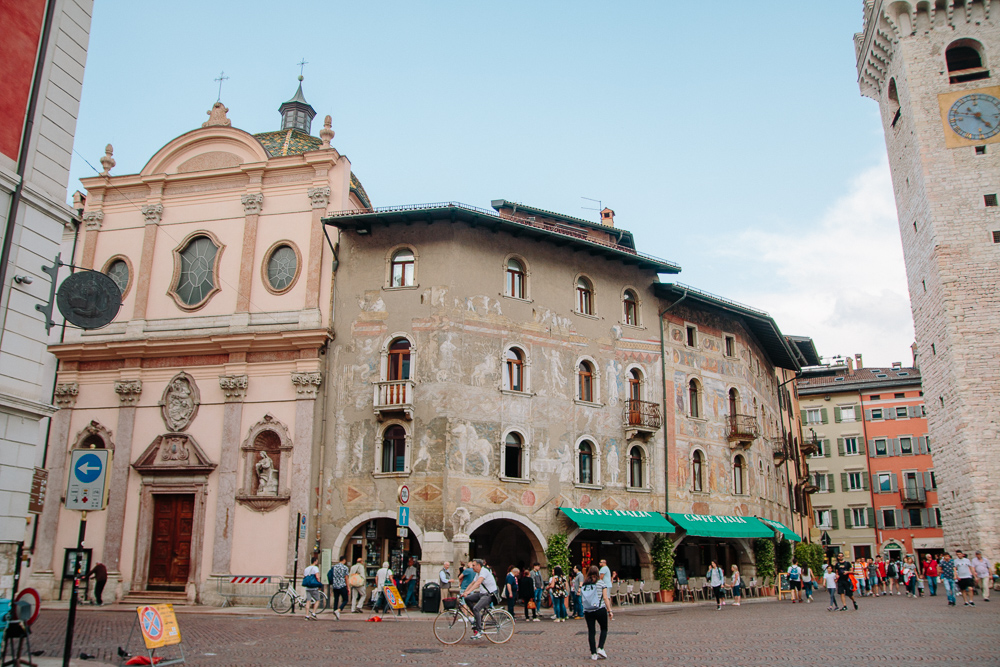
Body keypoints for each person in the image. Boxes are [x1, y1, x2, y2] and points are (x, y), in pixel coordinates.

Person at [580, 564, 613, 661]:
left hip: (588, 610)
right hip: (600, 609)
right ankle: (601, 648)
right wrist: (610, 610)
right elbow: (605, 598)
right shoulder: (601, 583)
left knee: (591, 631)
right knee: (603, 629)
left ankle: (593, 653)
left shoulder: (585, 584)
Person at [461, 559, 499, 640]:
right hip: (482, 594)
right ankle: (476, 617)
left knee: (476, 608)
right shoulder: (477, 573)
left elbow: (478, 583)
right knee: (468, 599)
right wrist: (465, 592)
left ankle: (479, 631)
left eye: (473, 565)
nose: (472, 567)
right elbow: (472, 583)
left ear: (478, 566)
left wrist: (468, 592)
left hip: (489, 595)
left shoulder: (484, 571)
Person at [302, 555, 324, 620]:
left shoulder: (306, 568)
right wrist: (319, 584)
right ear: (315, 561)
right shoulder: (315, 568)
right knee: (317, 600)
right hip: (314, 587)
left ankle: (306, 615)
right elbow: (317, 576)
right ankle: (313, 613)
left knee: (308, 601)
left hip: (307, 587)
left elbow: (304, 577)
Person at [328, 555, 349, 619]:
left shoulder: (334, 567)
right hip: (342, 585)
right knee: (345, 599)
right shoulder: (345, 568)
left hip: (335, 585)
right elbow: (346, 578)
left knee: (336, 600)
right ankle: (339, 610)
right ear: (344, 560)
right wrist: (348, 587)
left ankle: (335, 612)